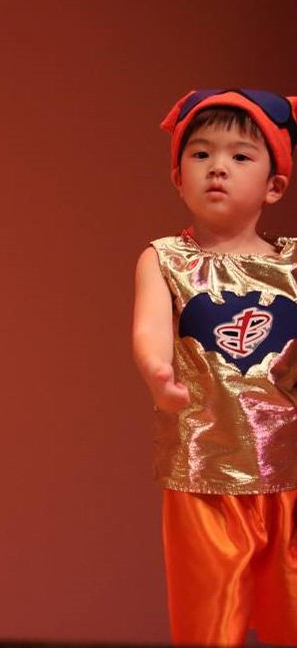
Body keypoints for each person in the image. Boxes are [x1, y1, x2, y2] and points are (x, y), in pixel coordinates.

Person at [132, 89, 297, 645]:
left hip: (290, 472)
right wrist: (158, 371)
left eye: (240, 156)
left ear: (274, 186)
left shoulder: (295, 266)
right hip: (203, 470)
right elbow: (149, 329)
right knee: (210, 621)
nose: (217, 168)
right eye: (200, 155)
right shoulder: (165, 258)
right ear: (178, 177)